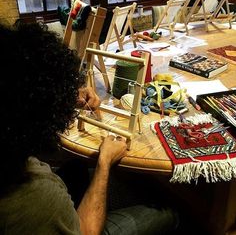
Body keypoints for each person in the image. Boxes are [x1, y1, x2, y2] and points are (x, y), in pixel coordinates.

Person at [0, 22, 178, 235]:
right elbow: (87, 231)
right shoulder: (33, 193)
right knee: (167, 213)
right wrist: (104, 163)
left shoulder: (9, 134)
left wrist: (61, 99)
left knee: (76, 167)